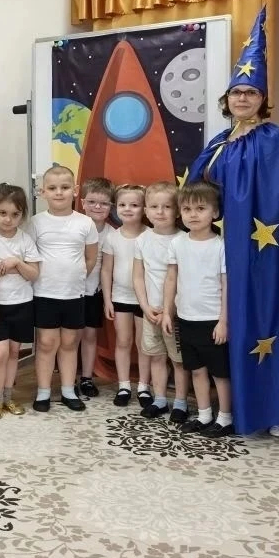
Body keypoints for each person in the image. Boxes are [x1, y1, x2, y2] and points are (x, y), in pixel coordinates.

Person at [189, 6, 279, 437]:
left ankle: (278, 406)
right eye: (236, 92)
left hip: (262, 249)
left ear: (262, 99)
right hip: (221, 248)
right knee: (224, 322)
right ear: (227, 99)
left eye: (251, 92)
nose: (242, 99)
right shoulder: (218, 142)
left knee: (267, 315)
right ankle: (232, 405)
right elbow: (198, 190)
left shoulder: (275, 139)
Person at [163, 182, 232, 437]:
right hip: (186, 318)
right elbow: (171, 278)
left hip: (212, 320)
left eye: (200, 208)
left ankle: (225, 418)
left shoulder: (221, 246)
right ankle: (204, 415)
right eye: (187, 209)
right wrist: (168, 311)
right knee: (196, 369)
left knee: (220, 373)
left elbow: (226, 285)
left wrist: (224, 321)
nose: (193, 214)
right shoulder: (177, 243)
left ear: (215, 213)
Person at [31, 166, 98, 412]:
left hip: (74, 294)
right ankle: (43, 392)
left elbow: (91, 258)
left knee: (70, 343)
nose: (59, 192)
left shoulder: (85, 223)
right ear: (43, 192)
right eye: (52, 188)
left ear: (75, 190)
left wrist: (75, 277)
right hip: (44, 293)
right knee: (46, 343)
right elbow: (30, 257)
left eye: (65, 187)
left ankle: (69, 390)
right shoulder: (36, 223)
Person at [133, 181, 190, 423]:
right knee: (156, 356)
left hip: (175, 313)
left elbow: (182, 279)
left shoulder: (184, 240)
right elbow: (138, 276)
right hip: (151, 312)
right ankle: (159, 399)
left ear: (177, 211)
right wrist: (145, 307)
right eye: (154, 207)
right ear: (146, 211)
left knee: (178, 360)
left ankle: (181, 403)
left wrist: (170, 310)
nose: (160, 211)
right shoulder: (142, 240)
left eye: (167, 206)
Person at [0, 183, 40, 419]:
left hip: (23, 303)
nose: (8, 219)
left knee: (14, 352)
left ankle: (8, 397)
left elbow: (34, 274)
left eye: (15, 214)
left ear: (22, 215)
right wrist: (0, 271)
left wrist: (16, 263)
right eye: (3, 213)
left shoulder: (25, 240)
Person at [102, 184, 151, 408]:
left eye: (134, 205)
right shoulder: (112, 237)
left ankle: (143, 386)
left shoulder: (150, 235)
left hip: (145, 300)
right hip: (120, 297)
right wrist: (107, 299)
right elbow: (106, 270)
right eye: (122, 204)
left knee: (144, 344)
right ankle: (123, 385)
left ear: (144, 208)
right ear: (115, 208)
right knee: (123, 341)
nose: (128, 209)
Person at [77, 177, 114, 399]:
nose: (97, 207)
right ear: (82, 203)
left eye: (104, 203)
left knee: (89, 335)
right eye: (92, 202)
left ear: (111, 206)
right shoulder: (74, 226)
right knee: (68, 338)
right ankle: (67, 377)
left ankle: (87, 378)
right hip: (68, 291)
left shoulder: (111, 234)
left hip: (93, 292)